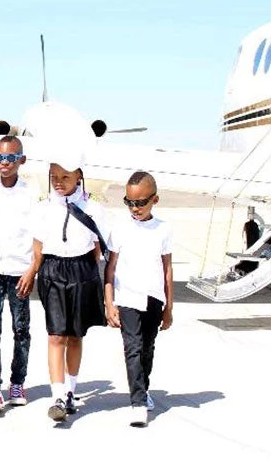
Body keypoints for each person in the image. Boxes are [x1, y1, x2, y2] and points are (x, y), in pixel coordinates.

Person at [29, 148, 107, 422]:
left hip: (82, 268)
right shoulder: (43, 208)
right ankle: (58, 396)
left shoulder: (94, 208)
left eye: (65, 176)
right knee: (55, 335)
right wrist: (33, 272)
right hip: (53, 269)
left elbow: (98, 249)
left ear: (79, 177)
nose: (59, 182)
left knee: (75, 335)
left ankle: (71, 390)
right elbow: (37, 247)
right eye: (54, 176)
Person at [104, 171, 174, 427]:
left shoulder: (163, 229)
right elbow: (110, 269)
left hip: (153, 298)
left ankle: (142, 389)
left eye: (140, 203)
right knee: (132, 348)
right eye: (129, 202)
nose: (134, 208)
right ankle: (138, 403)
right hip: (127, 297)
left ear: (155, 200)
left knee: (147, 348)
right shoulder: (120, 228)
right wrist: (109, 302)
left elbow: (167, 269)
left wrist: (169, 307)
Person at [0, 136, 37, 414]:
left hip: (20, 272)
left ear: (21, 160)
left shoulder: (31, 194)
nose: (4, 163)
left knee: (21, 329)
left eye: (10, 158)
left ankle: (17, 383)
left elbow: (39, 237)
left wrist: (32, 269)